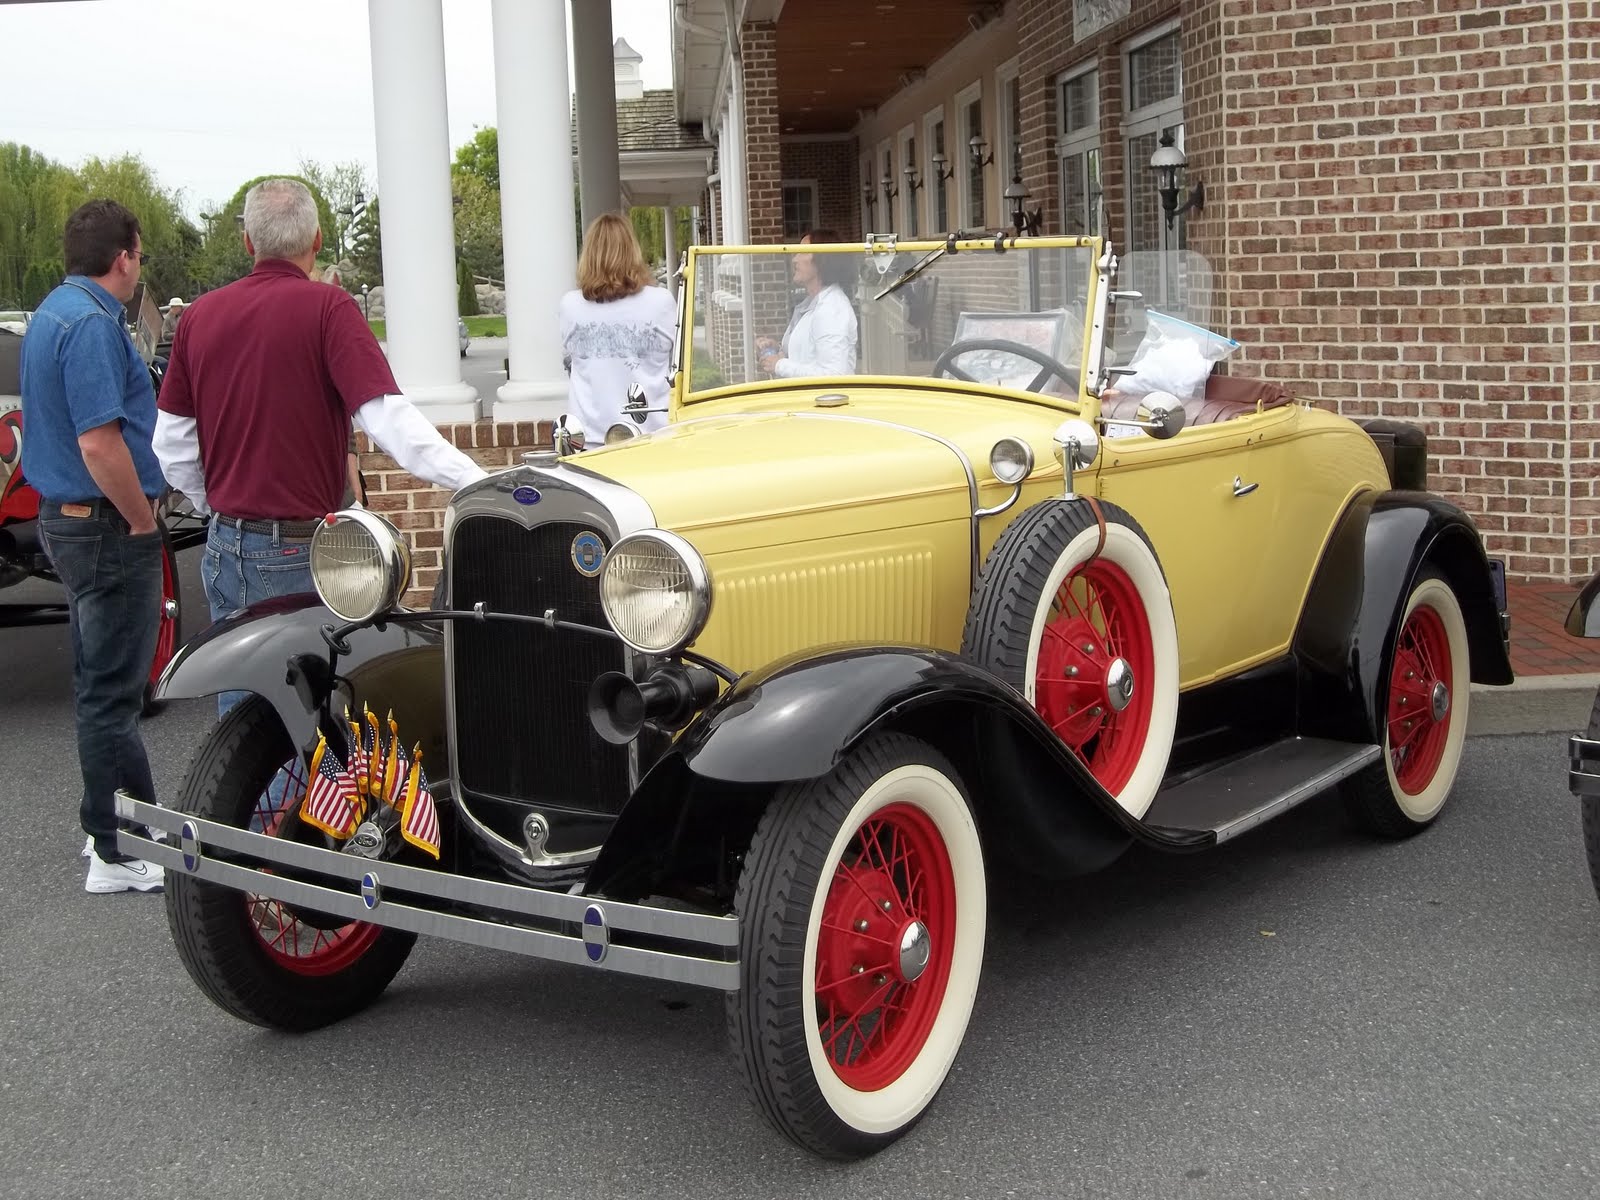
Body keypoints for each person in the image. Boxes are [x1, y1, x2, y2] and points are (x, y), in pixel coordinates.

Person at [153, 179, 486, 712]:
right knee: (310, 712)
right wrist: (473, 479)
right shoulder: (328, 308)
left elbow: (171, 443)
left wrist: (213, 503)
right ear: (316, 240)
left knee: (243, 722)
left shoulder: (198, 316)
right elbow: (386, 417)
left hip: (225, 545)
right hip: (302, 549)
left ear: (248, 242)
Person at [19, 198, 166, 894]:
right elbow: (99, 442)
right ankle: (115, 848)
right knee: (112, 693)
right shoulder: (91, 327)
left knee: (101, 685)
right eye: (139, 253)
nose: (139, 266)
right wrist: (141, 521)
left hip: (69, 518)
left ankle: (124, 818)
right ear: (123, 258)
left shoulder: (52, 311)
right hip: (105, 523)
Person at [558, 213, 678, 441]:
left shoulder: (570, 306)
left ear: (588, 255)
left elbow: (571, 364)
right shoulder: (661, 302)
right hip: (653, 436)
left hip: (589, 441)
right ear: (632, 252)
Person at [756, 229, 858, 378]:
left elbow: (835, 374)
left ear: (822, 260)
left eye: (802, 252)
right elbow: (808, 356)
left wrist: (779, 365)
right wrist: (778, 350)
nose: (794, 259)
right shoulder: (813, 304)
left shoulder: (831, 309)